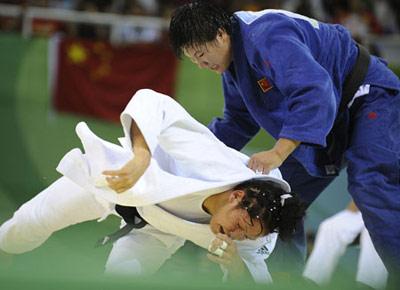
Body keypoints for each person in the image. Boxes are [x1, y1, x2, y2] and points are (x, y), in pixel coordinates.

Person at [168, 1, 400, 286]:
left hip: (366, 96)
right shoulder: (233, 65)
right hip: (330, 119)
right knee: (277, 203)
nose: (203, 65)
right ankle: (284, 281)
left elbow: (315, 90)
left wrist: (279, 151)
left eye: (202, 55)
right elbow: (237, 122)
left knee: (371, 184)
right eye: (195, 61)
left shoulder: (266, 36)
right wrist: (184, 156)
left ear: (220, 34)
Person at [0, 89, 305, 283]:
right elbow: (153, 100)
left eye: (247, 235)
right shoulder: (210, 161)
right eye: (241, 225)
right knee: (31, 219)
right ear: (236, 196)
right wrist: (142, 156)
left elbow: (260, 279)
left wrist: (238, 268)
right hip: (125, 181)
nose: (237, 236)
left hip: (158, 231)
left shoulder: (254, 233)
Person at [303, 201, 388, 289]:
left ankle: (368, 286)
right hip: (369, 212)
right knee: (330, 227)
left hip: (392, 218)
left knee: (375, 233)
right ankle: (313, 283)